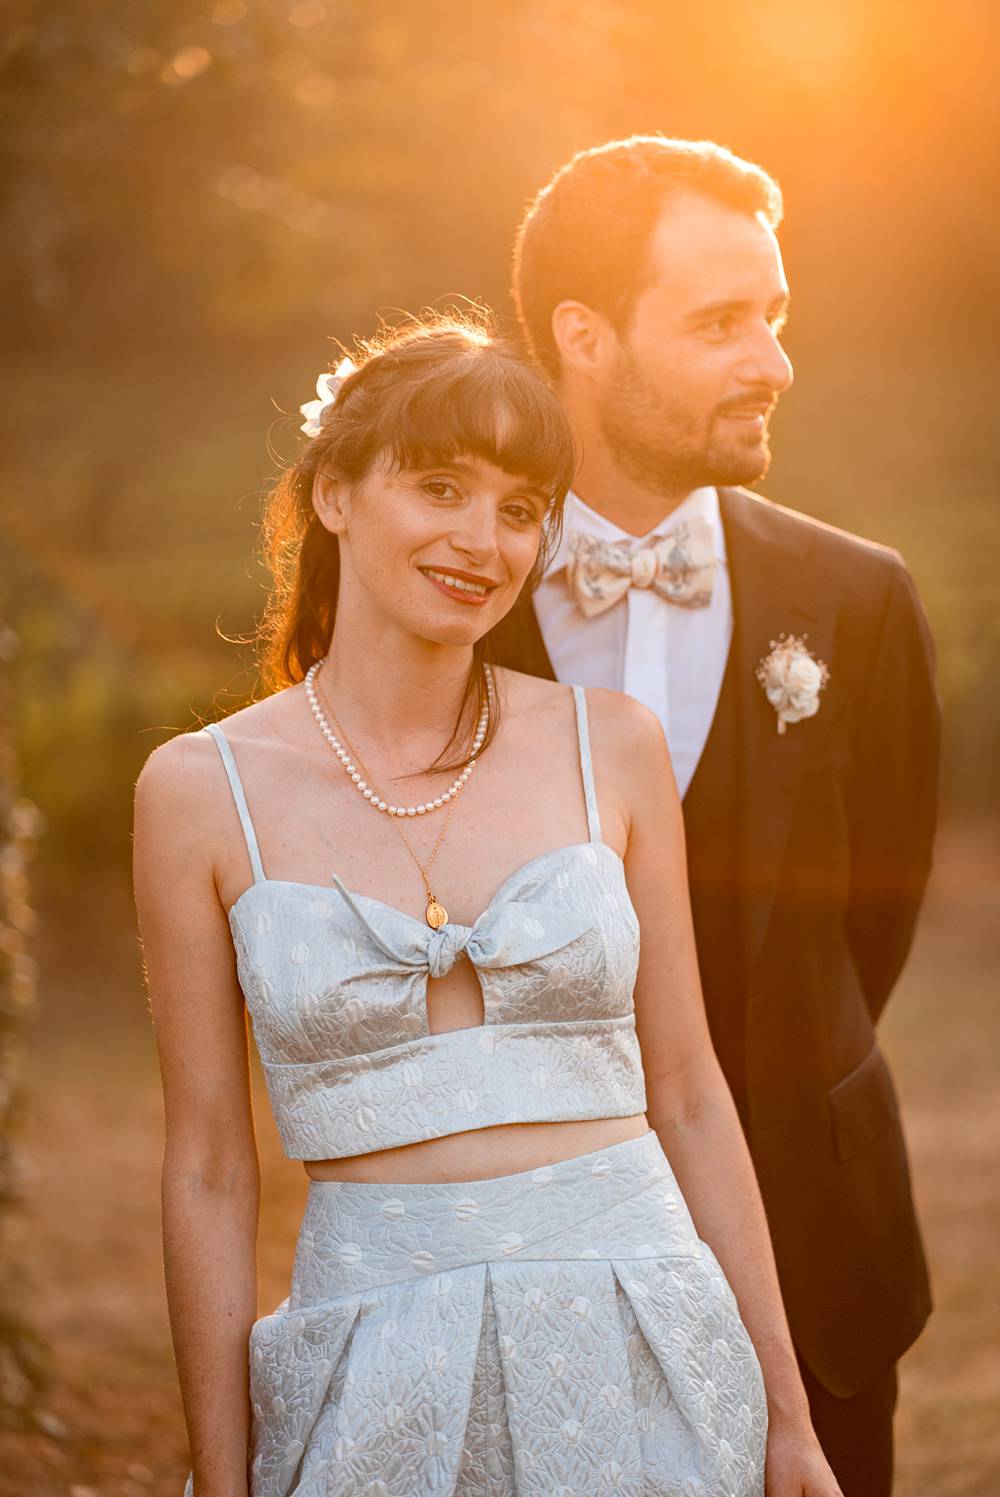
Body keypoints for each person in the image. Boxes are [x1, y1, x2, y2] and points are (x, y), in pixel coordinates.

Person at [133, 315, 842, 1497]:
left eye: (520, 508)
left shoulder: (608, 748)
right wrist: (222, 1473)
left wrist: (787, 1421)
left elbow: (690, 1094)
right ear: (335, 497)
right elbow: (207, 1166)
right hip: (370, 1360)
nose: (482, 541)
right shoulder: (201, 793)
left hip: (647, 1336)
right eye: (441, 487)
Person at [489, 137, 941, 1497]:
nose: (772, 362)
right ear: (586, 335)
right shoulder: (454, 598)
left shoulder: (858, 602)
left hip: (813, 1242)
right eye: (719, 323)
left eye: (775, 318)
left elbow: (872, 919)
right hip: (523, 1241)